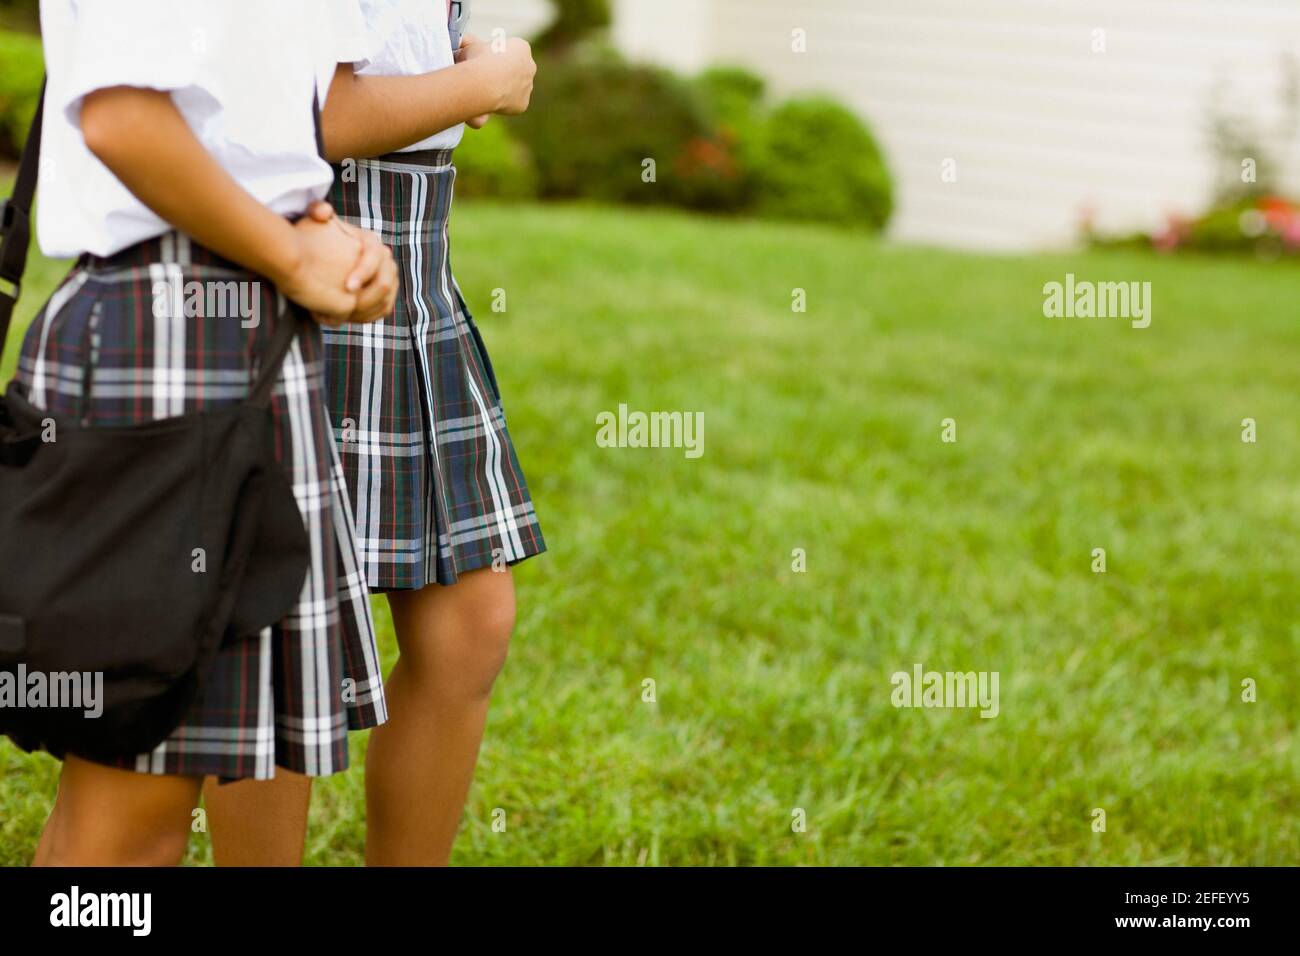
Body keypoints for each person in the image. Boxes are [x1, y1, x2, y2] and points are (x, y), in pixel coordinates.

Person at [17, 0, 396, 866]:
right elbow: (122, 115)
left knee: (138, 801)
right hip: (173, 337)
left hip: (231, 330)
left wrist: (327, 241)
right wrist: (293, 256)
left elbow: (235, 131)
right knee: (129, 825)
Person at [203, 0, 545, 866]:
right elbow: (327, 111)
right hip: (314, 252)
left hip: (417, 268)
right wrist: (487, 80)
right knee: (284, 635)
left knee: (471, 621)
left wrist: (466, 60)